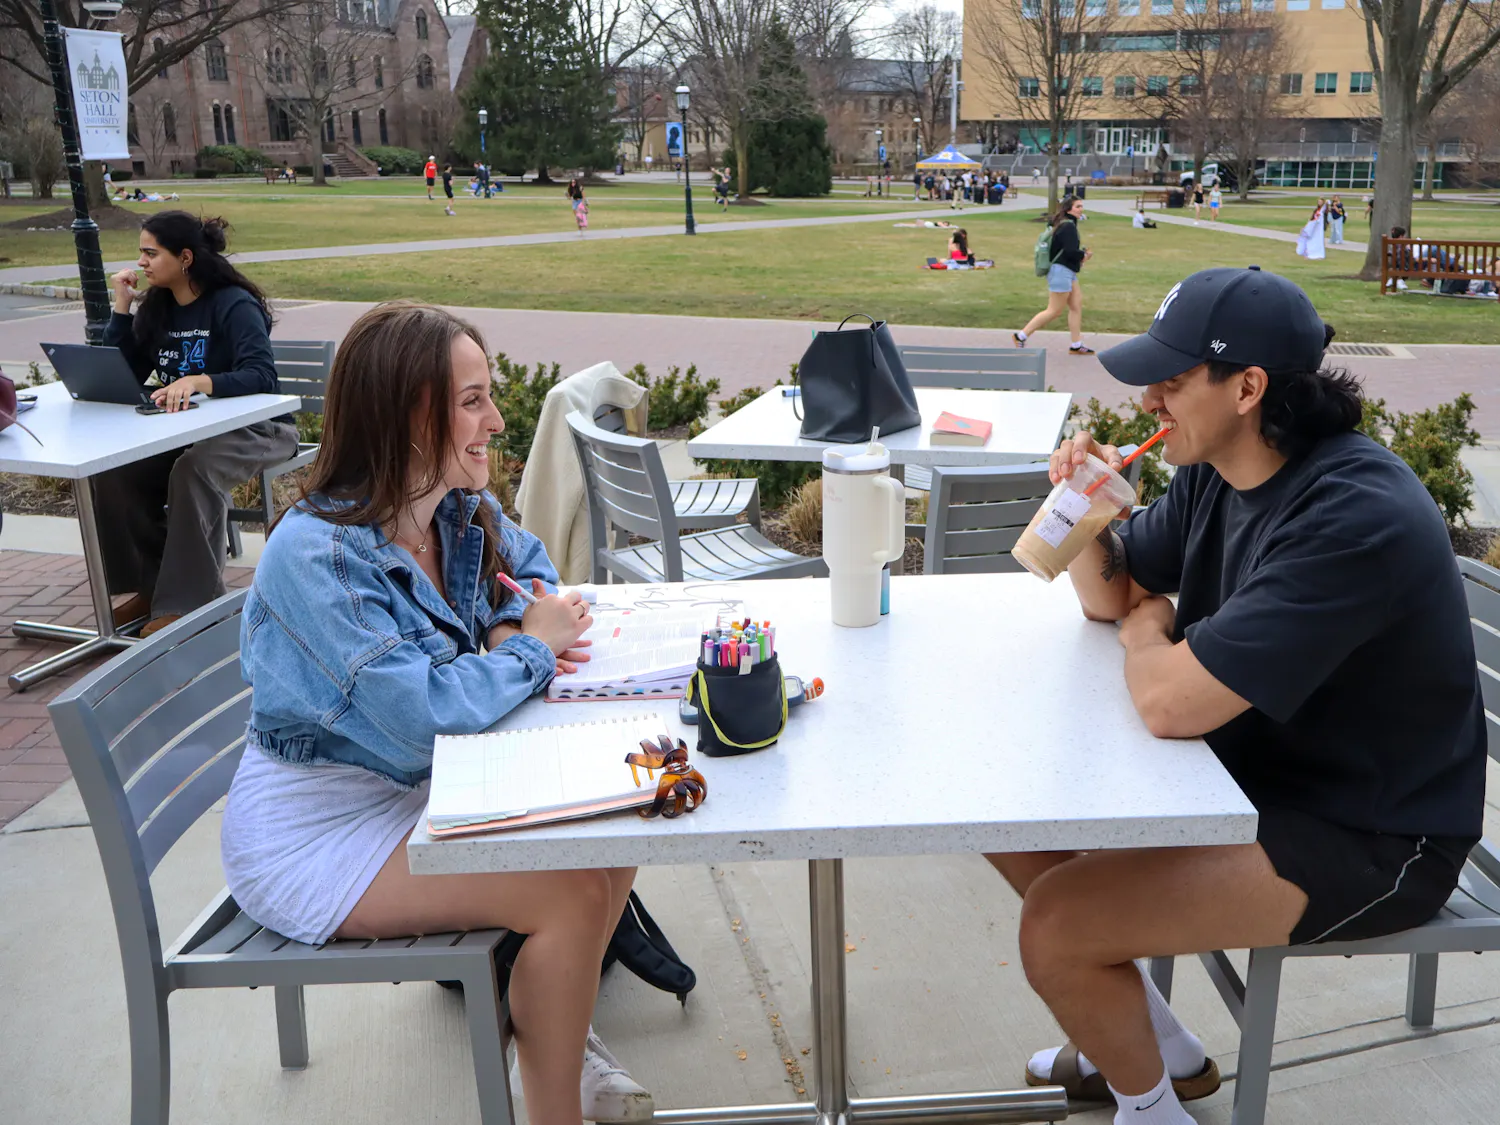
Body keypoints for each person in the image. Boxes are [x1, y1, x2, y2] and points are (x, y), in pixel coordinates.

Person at [990, 266, 1484, 1125]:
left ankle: (1149, 1108)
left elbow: (1168, 703)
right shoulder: (1220, 464)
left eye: (1172, 380)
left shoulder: (1352, 517)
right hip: (1256, 780)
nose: (1149, 400)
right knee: (1008, 815)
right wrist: (1084, 510)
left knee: (1057, 924)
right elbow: (1116, 594)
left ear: (1249, 387)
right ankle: (1158, 1049)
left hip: (1372, 832)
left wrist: (1153, 632)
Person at [224, 301, 655, 1125]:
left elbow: (526, 568)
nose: (495, 419)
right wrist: (524, 652)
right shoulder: (318, 554)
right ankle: (554, 1100)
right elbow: (423, 714)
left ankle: (552, 1036)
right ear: (410, 414)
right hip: (319, 830)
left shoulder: (450, 506)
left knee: (618, 828)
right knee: (567, 893)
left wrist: (503, 625)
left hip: (422, 783)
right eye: (472, 401)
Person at [98, 212, 300, 637]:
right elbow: (125, 374)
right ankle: (152, 590)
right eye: (141, 253)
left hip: (261, 429)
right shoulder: (158, 308)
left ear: (185, 257)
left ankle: (189, 604)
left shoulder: (232, 304)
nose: (141, 263)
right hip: (188, 430)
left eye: (151, 253)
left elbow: (263, 376)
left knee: (194, 471)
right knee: (119, 469)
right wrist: (121, 307)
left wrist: (201, 380)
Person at [1013, 196, 1094, 356]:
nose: (1081, 209)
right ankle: (1021, 335)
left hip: (1067, 271)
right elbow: (1070, 252)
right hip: (1061, 271)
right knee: (1054, 310)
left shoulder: (1063, 224)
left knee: (1076, 306)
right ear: (1069, 208)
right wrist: (1084, 255)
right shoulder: (1068, 227)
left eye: (1081, 206)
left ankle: (1076, 344)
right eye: (1078, 206)